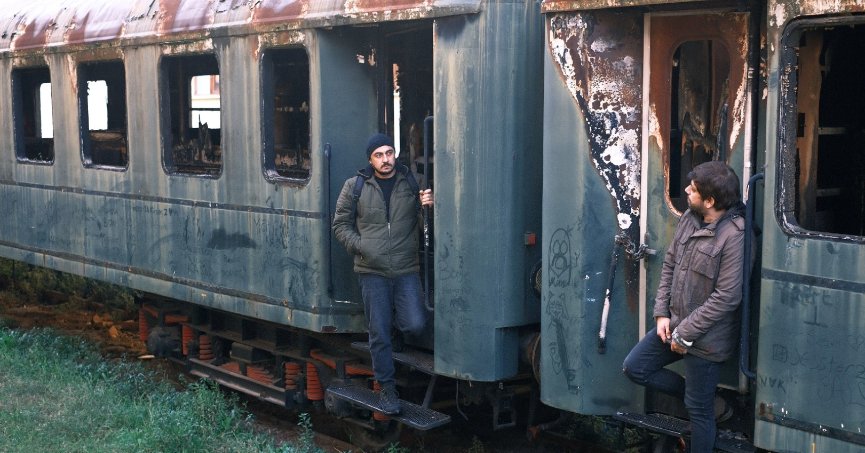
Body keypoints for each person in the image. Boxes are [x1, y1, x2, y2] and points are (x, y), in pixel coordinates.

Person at [623, 161, 745, 452]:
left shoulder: (735, 236)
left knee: (699, 413)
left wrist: (685, 333)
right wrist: (662, 313)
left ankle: (703, 404)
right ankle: (708, 400)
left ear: (711, 201)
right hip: (674, 324)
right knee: (635, 367)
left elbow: (727, 296)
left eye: (693, 189)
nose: (687, 190)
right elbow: (670, 264)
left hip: (706, 341)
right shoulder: (691, 218)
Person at [332, 132, 434, 415]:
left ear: (395, 153)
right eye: (379, 155)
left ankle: (396, 328)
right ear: (370, 159)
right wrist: (362, 247)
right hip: (372, 270)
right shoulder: (355, 186)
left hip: (405, 268)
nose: (386, 159)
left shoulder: (412, 183)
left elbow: (428, 224)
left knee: (414, 324)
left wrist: (430, 206)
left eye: (389, 153)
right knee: (378, 333)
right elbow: (340, 225)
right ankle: (387, 389)